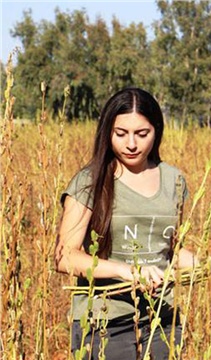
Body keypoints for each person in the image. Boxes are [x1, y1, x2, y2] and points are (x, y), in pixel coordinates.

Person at [55, 87, 198, 359]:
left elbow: (169, 250)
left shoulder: (174, 180)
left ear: (157, 131)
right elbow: (65, 257)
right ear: (107, 133)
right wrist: (128, 271)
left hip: (163, 319)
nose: (131, 144)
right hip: (106, 322)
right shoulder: (89, 181)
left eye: (142, 134)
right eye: (121, 134)